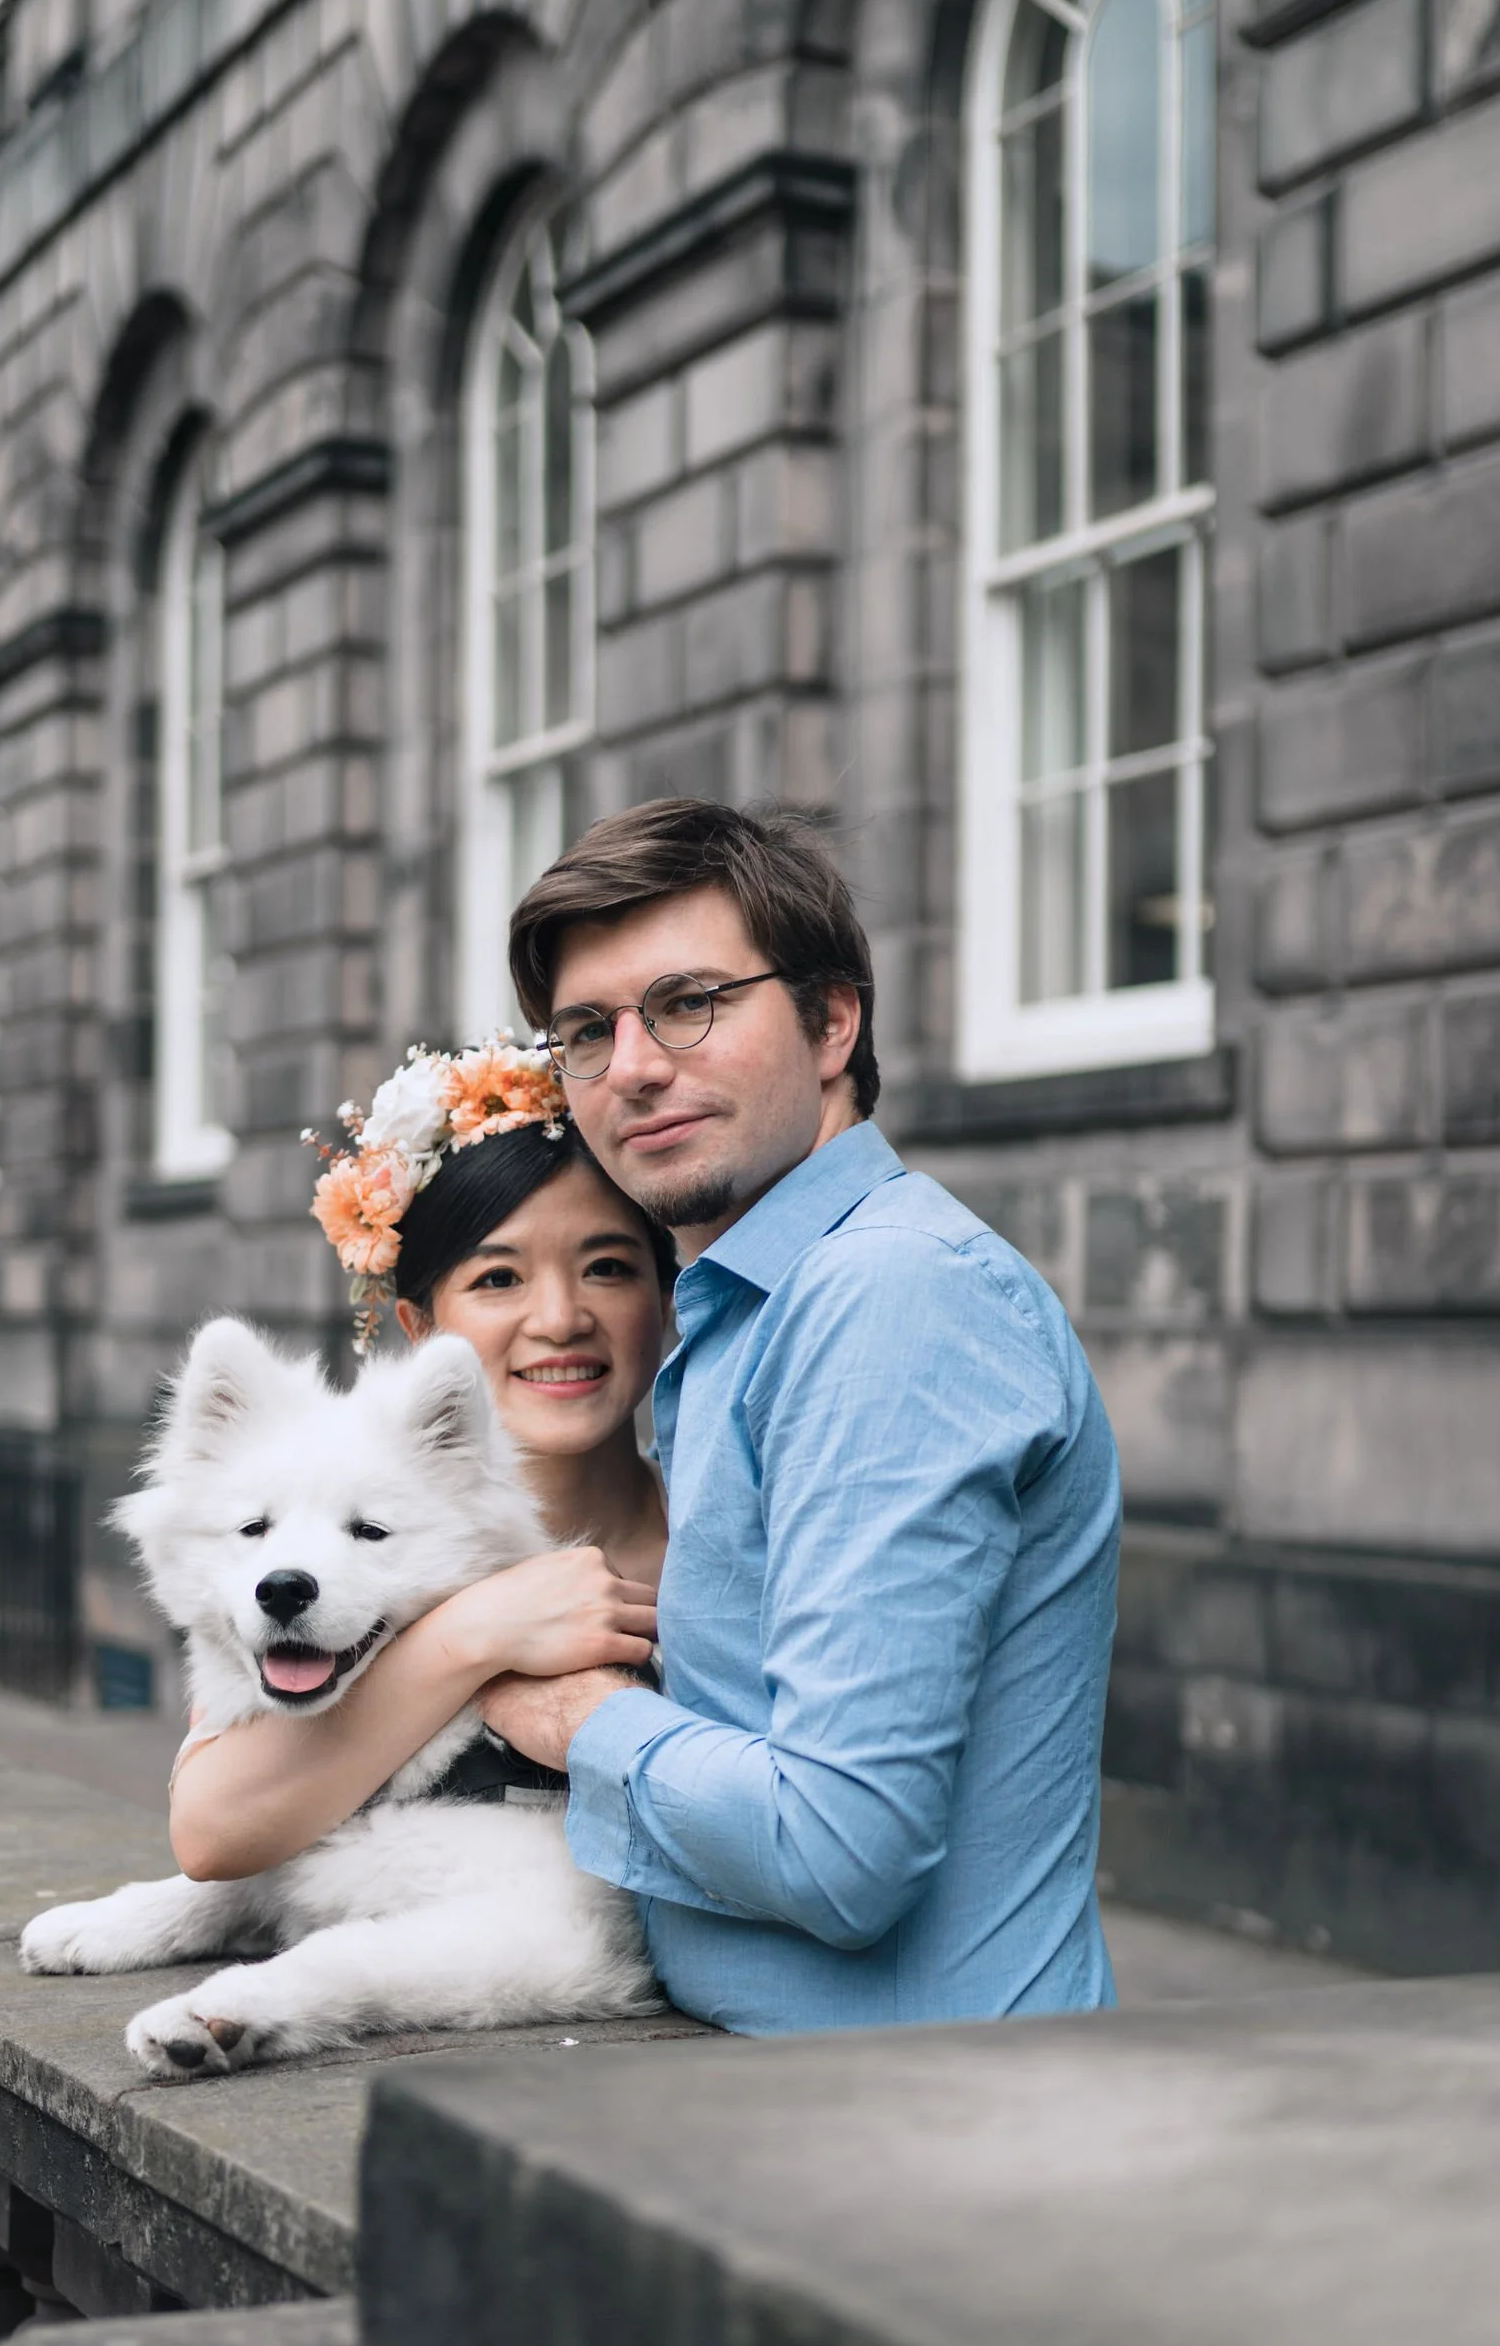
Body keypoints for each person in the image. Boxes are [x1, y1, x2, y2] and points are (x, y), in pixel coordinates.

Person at [476, 798, 1120, 2030]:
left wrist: (568, 1714)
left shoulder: (888, 1296)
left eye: (689, 1002)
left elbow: (840, 1844)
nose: (634, 1067)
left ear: (833, 1022)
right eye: (586, 1033)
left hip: (923, 2137)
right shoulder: (749, 1302)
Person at [167, 1094, 671, 1884]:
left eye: (607, 1268)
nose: (560, 1318)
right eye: (499, 1277)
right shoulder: (349, 1564)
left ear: (669, 1297)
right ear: (420, 1327)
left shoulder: (732, 1521)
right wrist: (477, 1632)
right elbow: (209, 1834)